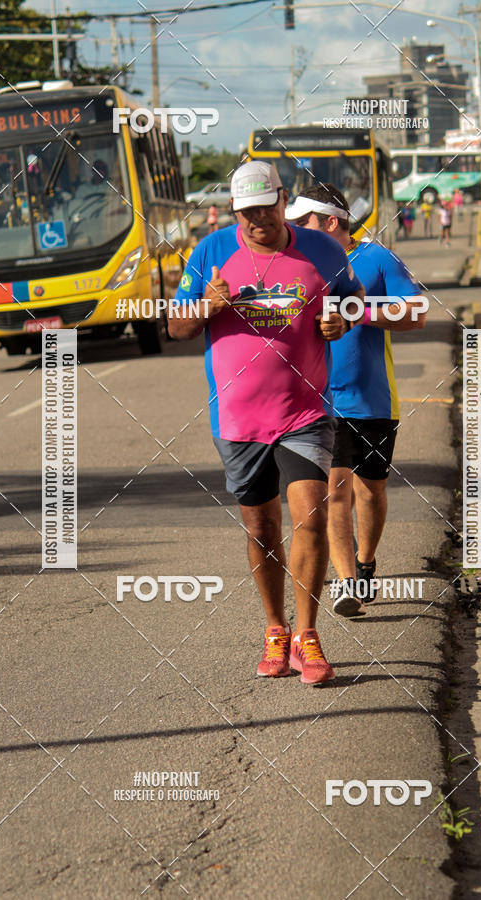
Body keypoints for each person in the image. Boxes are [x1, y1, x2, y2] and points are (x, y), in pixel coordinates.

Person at [170, 161, 364, 683]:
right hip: (237, 417)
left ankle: (307, 634)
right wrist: (207, 307)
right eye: (246, 212)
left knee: (311, 515)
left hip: (304, 411)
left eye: (265, 207)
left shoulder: (322, 249)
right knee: (261, 527)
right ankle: (275, 628)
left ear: (283, 200)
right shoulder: (211, 252)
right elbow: (177, 326)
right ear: (236, 211)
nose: (257, 220)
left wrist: (339, 320)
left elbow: (353, 298)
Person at [286, 185, 427, 617]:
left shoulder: (378, 259)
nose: (292, 230)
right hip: (322, 404)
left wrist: (357, 311)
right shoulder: (298, 265)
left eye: (301, 222)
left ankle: (366, 565)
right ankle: (346, 583)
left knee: (372, 491)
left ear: (331, 223)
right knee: (335, 494)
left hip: (373, 399)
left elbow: (416, 311)